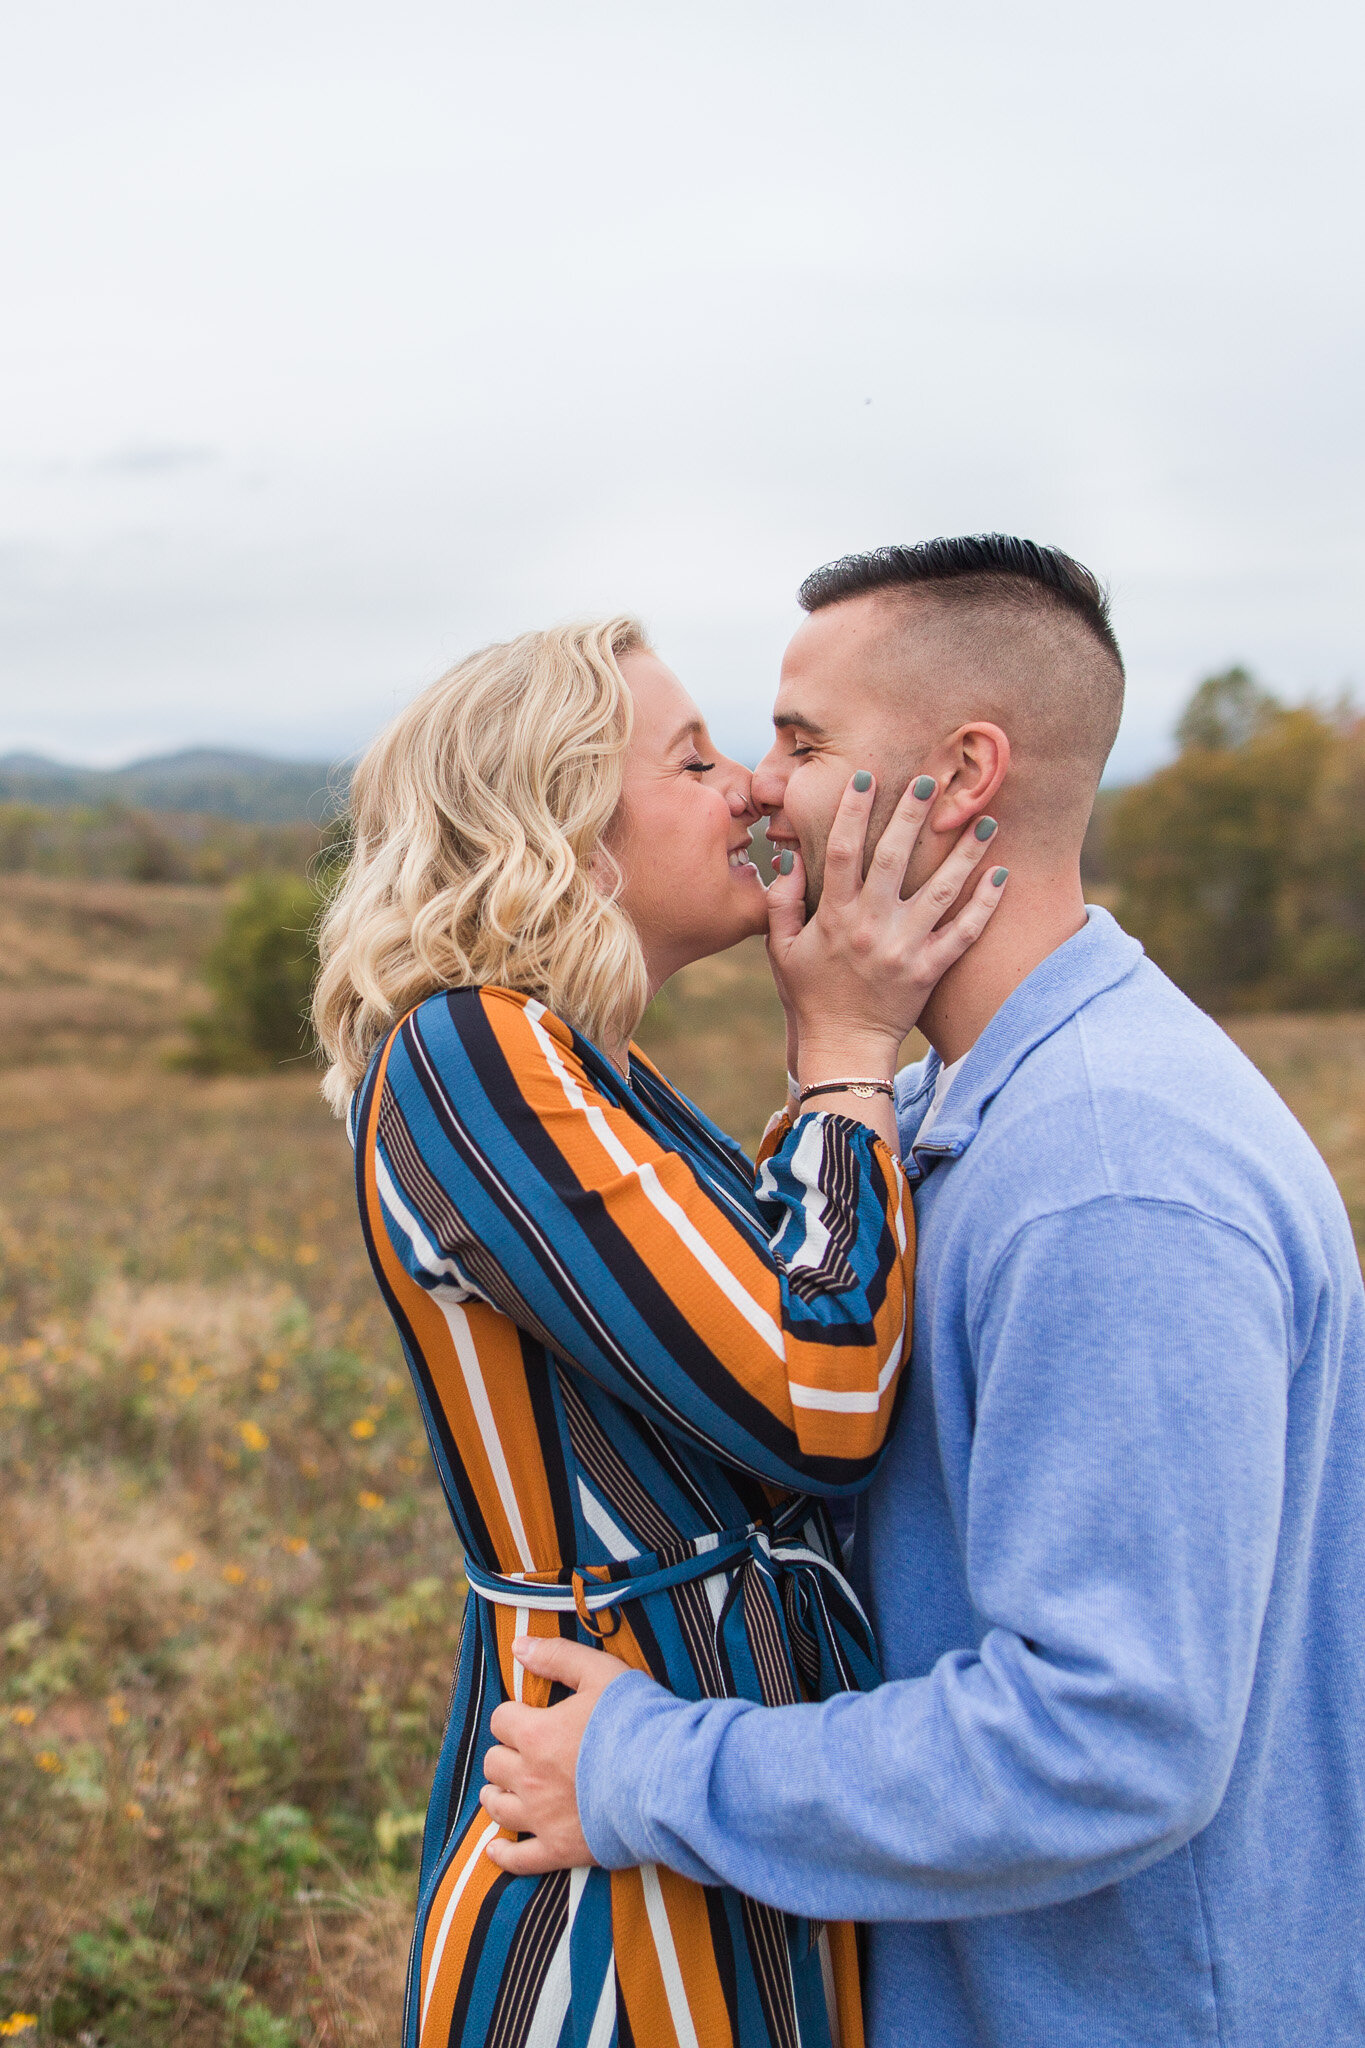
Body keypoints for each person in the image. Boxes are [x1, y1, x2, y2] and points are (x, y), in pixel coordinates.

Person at [480, 538, 1365, 2048]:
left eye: (802, 743)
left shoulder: (1106, 1172)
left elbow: (1109, 1742)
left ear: (961, 777)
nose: (759, 789)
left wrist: (648, 1772)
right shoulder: (982, 1106)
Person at [311, 615, 1006, 2048]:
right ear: (563, 829)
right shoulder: (468, 1054)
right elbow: (817, 1398)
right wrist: (844, 1057)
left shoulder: (597, 1073)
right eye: (693, 762)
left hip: (704, 1776)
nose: (753, 788)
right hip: (610, 1836)